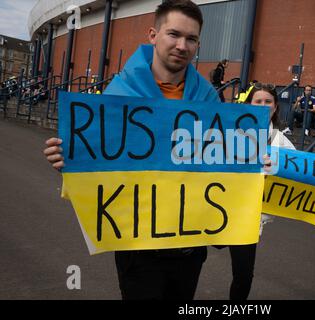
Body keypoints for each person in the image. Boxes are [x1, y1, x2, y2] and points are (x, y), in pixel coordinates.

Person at [44, 0, 219, 300]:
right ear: (153, 35)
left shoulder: (210, 99)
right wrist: (69, 160)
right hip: (136, 245)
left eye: (191, 39)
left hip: (189, 245)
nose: (182, 45)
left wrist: (251, 164)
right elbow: (99, 160)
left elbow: (221, 162)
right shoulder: (117, 94)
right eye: (173, 34)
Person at [226, 83, 295, 300]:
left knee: (244, 275)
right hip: (218, 207)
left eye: (268, 102)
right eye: (258, 101)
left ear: (275, 107)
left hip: (248, 217)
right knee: (192, 261)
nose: (263, 105)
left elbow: (301, 175)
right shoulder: (230, 132)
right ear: (249, 104)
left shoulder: (281, 142)